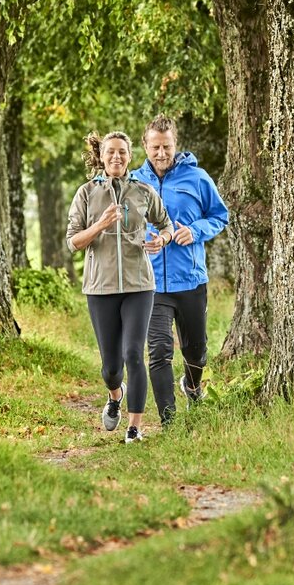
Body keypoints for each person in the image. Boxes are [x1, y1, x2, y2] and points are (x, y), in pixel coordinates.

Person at [65, 131, 174, 443]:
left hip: (140, 285)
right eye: (110, 152)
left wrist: (162, 239)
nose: (116, 157)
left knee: (133, 354)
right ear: (101, 156)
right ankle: (115, 395)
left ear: (130, 156)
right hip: (100, 287)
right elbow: (72, 241)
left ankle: (134, 427)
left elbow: (165, 223)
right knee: (111, 367)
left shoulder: (142, 191)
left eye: (122, 153)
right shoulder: (86, 193)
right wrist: (99, 224)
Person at [130, 114, 229, 425]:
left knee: (196, 350)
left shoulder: (198, 178)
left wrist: (196, 230)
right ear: (145, 146)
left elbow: (219, 216)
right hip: (150, 283)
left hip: (190, 279)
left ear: (176, 145)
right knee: (158, 350)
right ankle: (169, 421)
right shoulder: (132, 182)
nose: (162, 153)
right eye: (156, 147)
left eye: (167, 147)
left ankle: (193, 385)